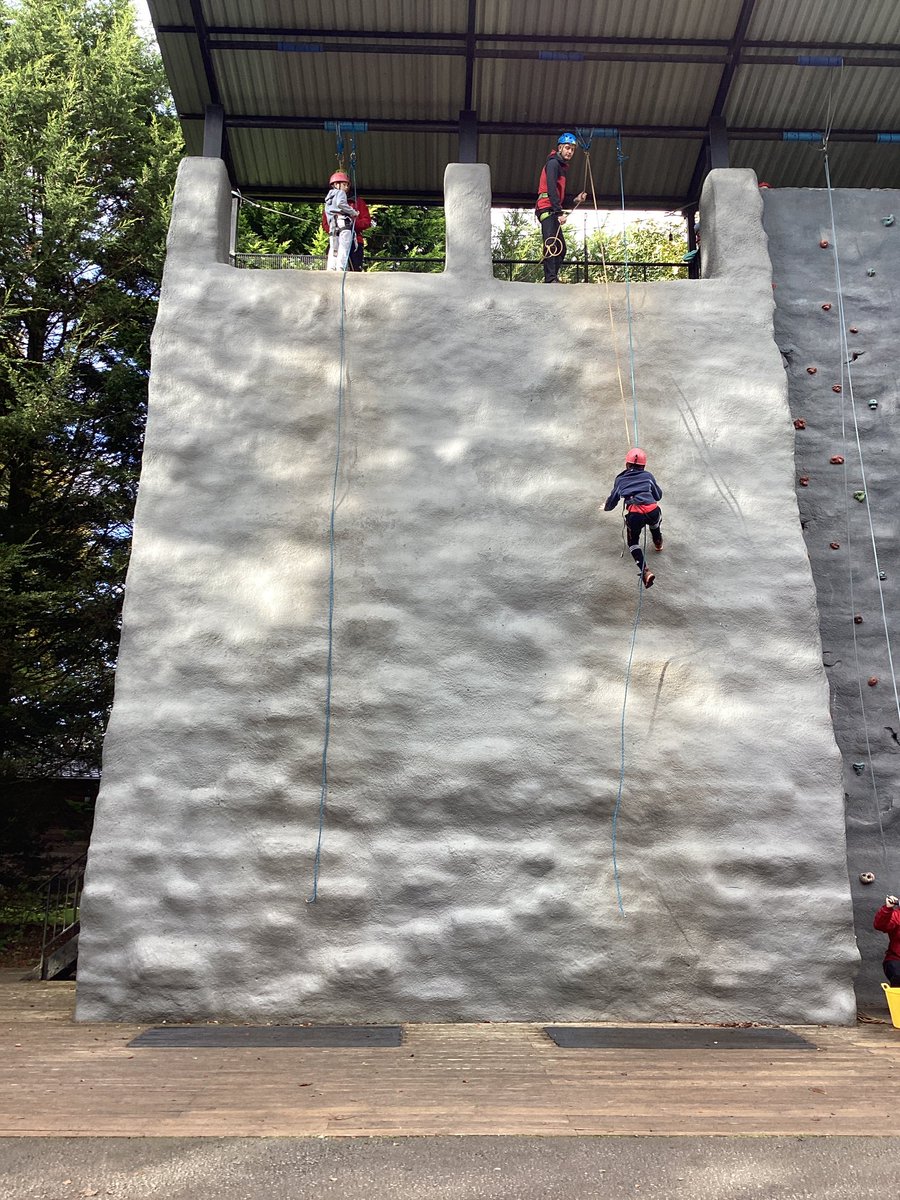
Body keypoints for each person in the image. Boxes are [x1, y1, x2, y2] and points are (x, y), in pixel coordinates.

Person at [603, 447, 663, 589]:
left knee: (633, 543)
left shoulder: (620, 479)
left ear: (626, 465)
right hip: (652, 510)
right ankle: (658, 543)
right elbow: (658, 496)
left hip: (635, 515)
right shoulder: (648, 476)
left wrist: (606, 507)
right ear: (643, 466)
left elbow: (612, 501)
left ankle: (645, 571)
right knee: (655, 525)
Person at [535, 132, 587, 283]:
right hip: (547, 208)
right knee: (551, 243)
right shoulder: (553, 164)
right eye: (567, 148)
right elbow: (551, 188)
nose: (570, 151)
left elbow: (558, 195)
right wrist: (559, 212)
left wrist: (575, 199)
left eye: (572, 149)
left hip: (552, 208)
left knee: (561, 248)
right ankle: (550, 279)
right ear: (560, 148)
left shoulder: (560, 167)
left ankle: (552, 277)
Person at [321, 192, 374, 272]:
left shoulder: (358, 202)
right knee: (333, 254)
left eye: (345, 184)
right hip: (336, 237)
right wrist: (337, 227)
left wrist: (350, 224)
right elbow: (326, 223)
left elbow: (366, 221)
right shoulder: (331, 203)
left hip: (354, 240)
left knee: (355, 267)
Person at [323, 171, 358, 272]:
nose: (346, 187)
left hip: (333, 225)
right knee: (344, 245)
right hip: (343, 222)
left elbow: (328, 213)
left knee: (334, 247)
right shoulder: (340, 193)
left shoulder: (328, 199)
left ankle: (331, 268)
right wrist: (353, 212)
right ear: (336, 184)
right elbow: (341, 204)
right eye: (344, 184)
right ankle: (340, 267)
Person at [874, 894, 900, 987]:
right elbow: (880, 925)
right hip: (896, 960)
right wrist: (887, 909)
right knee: (898, 976)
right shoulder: (897, 915)